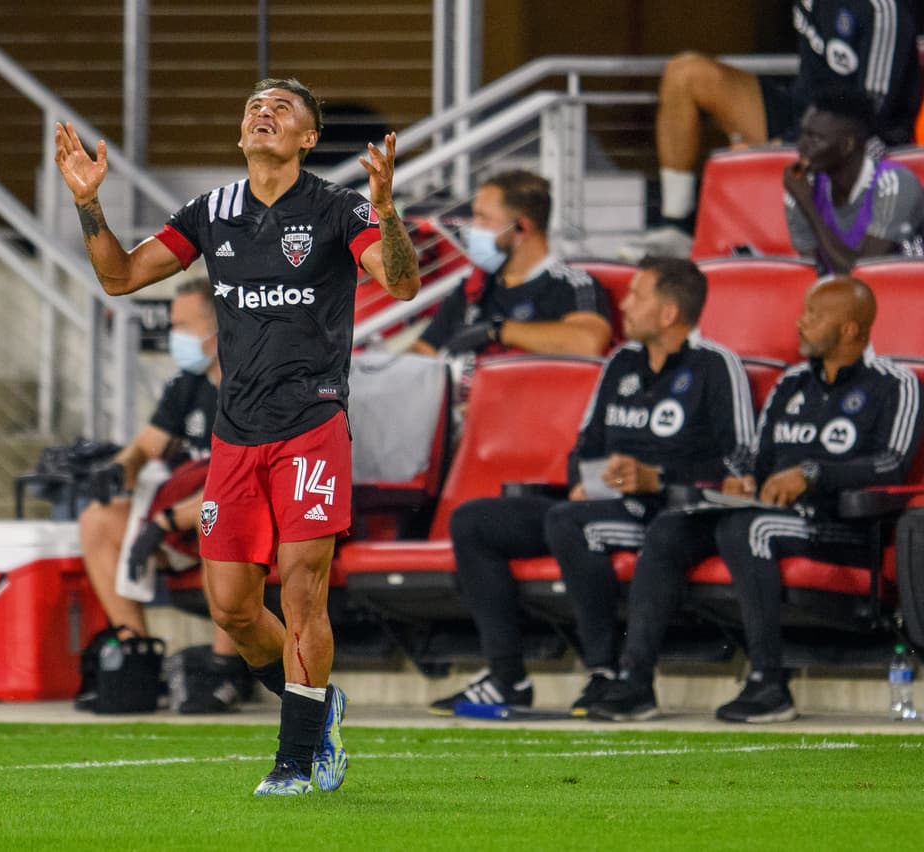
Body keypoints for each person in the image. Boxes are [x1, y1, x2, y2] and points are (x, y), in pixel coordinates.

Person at [54, 78, 420, 794]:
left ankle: (295, 761)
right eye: (254, 104)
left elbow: (402, 284)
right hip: (236, 433)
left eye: (282, 107)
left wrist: (386, 209)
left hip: (312, 425)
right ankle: (317, 707)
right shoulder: (211, 211)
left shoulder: (339, 208)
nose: (263, 112)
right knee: (232, 608)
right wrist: (87, 202)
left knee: (303, 593)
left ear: (308, 138)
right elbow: (120, 278)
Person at [429, 257, 754, 717]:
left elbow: (740, 462)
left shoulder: (716, 365)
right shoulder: (621, 362)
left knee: (569, 522)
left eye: (637, 295)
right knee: (474, 522)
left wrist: (657, 477)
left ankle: (606, 672)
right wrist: (588, 479)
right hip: (601, 505)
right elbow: (584, 446)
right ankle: (506, 679)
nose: (625, 303)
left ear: (669, 313)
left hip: (666, 514)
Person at [589, 275, 923, 723]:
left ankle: (769, 681)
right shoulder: (791, 383)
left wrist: (813, 475)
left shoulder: (896, 384)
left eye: (813, 316)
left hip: (842, 526)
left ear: (849, 329)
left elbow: (892, 464)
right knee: (669, 527)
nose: (800, 323)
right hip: (769, 512)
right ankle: (635, 679)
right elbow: (757, 459)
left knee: (749, 529)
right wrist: (742, 480)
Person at [621, 0, 920, 260]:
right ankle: (676, 227)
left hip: (858, 140)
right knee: (685, 74)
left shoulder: (882, 10)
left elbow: (871, 114)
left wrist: (784, 144)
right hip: (801, 114)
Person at [74, 277, 249, 714]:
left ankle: (224, 670)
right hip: (180, 518)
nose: (176, 337)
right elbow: (147, 445)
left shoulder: (252, 385)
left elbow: (241, 483)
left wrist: (164, 523)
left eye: (184, 327)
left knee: (218, 519)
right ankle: (137, 657)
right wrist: (121, 467)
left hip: (239, 517)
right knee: (98, 519)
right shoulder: (188, 384)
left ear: (219, 328)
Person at [410, 170, 612, 359]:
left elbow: (587, 343)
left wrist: (497, 330)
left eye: (483, 219)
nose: (473, 228)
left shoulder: (572, 284)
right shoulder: (474, 288)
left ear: (522, 228)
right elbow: (423, 350)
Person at [784, 88, 924, 274]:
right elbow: (816, 273)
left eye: (815, 139)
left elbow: (861, 275)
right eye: (803, 135)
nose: (801, 147)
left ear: (847, 146)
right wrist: (802, 200)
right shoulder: (803, 188)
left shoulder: (896, 185)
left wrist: (808, 205)